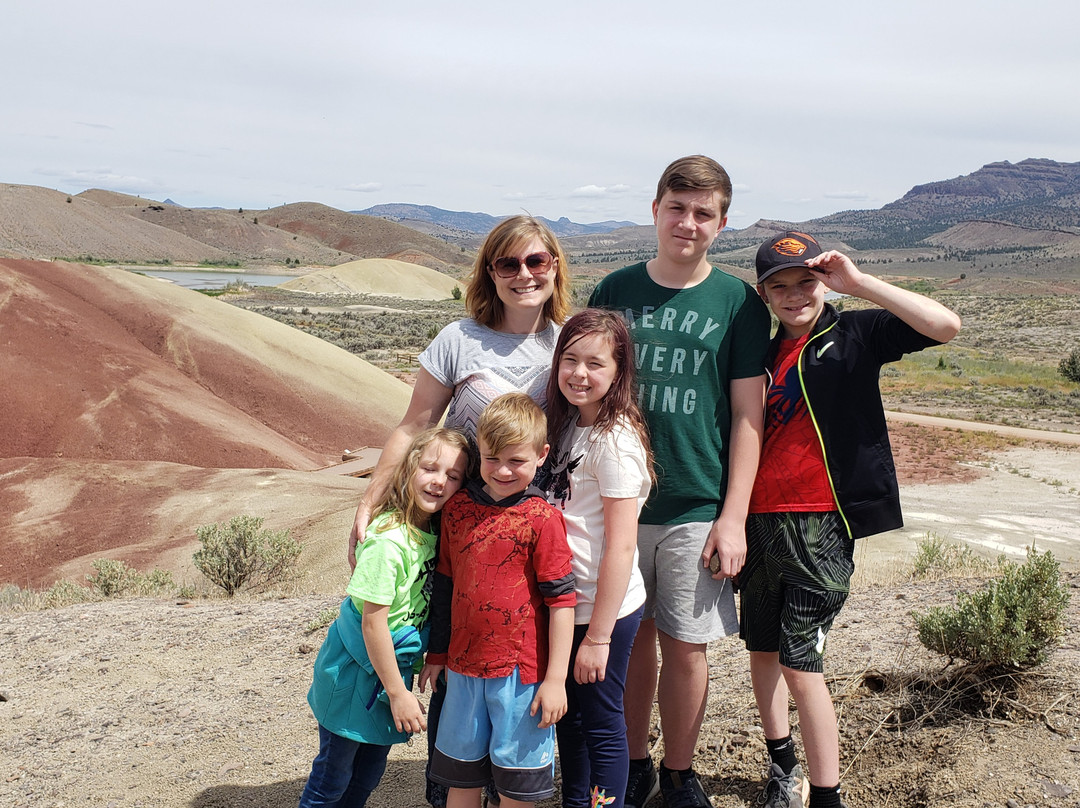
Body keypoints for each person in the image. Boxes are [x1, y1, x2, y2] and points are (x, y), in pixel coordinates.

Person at [347, 215, 571, 807]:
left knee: (529, 665)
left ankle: (518, 785)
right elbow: (415, 424)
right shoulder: (458, 339)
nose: (523, 275)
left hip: (543, 526)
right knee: (458, 664)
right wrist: (370, 499)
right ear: (489, 272)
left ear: (554, 267)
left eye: (536, 262)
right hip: (465, 527)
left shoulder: (568, 341)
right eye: (508, 264)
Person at [741, 231, 961, 808]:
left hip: (822, 524)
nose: (795, 296)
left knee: (800, 659)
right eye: (780, 286)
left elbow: (945, 326)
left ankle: (827, 793)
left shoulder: (856, 333)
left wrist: (859, 283)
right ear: (764, 294)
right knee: (761, 649)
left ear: (823, 282)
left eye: (805, 282)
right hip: (759, 520)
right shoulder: (758, 358)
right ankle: (780, 763)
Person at [588, 155, 772, 808]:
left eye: (702, 213)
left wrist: (733, 516)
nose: (687, 223)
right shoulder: (614, 289)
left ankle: (679, 773)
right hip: (620, 501)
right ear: (656, 208)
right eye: (677, 207)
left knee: (687, 645)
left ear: (721, 223)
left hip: (697, 498)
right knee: (631, 641)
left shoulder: (739, 304)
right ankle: (634, 762)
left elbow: (749, 416)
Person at [299, 427, 474, 808]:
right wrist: (399, 694)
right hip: (354, 677)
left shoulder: (430, 533)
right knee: (332, 779)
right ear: (409, 468)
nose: (439, 481)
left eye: (454, 476)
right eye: (430, 468)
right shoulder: (389, 543)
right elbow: (372, 623)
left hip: (385, 673)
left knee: (365, 776)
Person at [422, 393, 576, 808]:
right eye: (491, 459)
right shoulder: (456, 511)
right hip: (462, 670)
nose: (503, 471)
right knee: (462, 780)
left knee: (517, 789)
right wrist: (436, 654)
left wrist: (556, 680)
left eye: (516, 461)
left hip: (522, 677)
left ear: (542, 455)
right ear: (479, 453)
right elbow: (446, 587)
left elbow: (562, 603)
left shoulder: (543, 519)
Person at [540, 309, 653, 808]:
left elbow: (622, 546)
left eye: (595, 364)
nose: (579, 374)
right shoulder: (571, 427)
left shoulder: (615, 440)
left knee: (604, 723)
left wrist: (600, 637)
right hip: (570, 604)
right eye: (570, 360)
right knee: (573, 720)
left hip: (601, 610)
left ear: (618, 372)